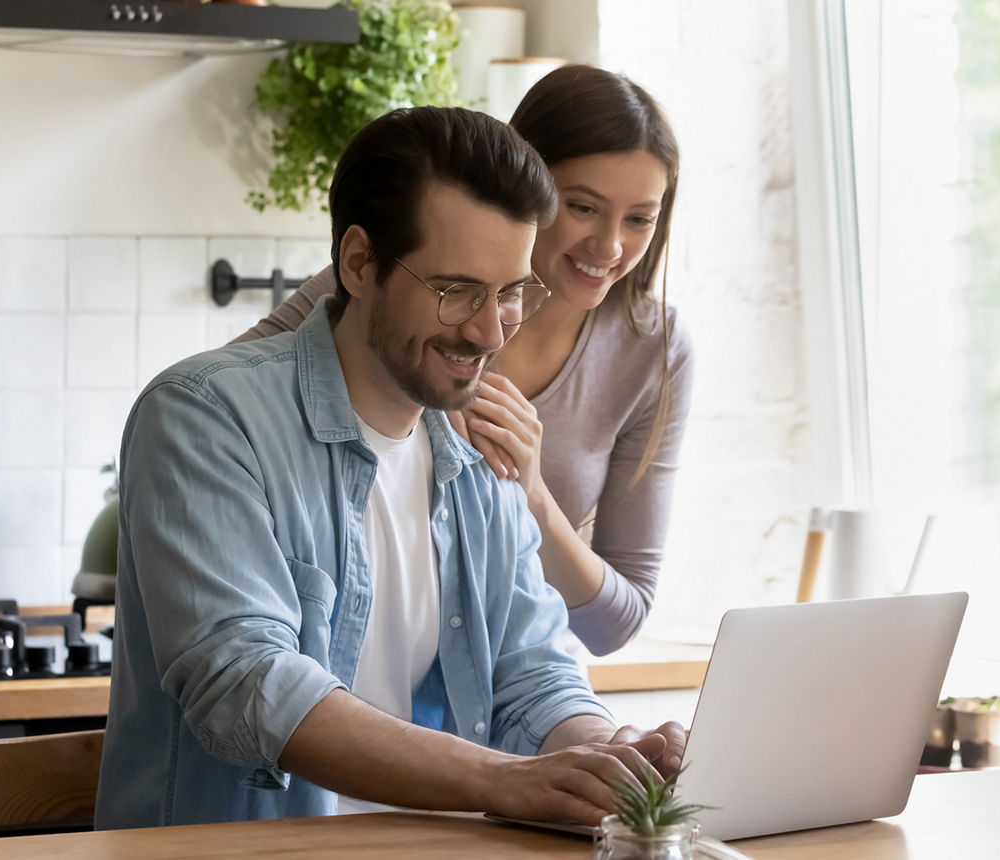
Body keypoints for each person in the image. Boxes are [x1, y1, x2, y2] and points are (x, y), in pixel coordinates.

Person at [95, 105, 686, 830]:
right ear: (358, 263)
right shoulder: (203, 416)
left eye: (510, 293)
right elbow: (248, 684)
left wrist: (604, 757)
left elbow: (534, 673)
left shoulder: (481, 453)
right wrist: (504, 781)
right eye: (456, 292)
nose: (490, 330)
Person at [236, 65, 693, 657]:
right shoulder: (388, 288)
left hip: (501, 699)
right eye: (582, 207)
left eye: (639, 219)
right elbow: (214, 407)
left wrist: (532, 495)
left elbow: (614, 624)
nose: (609, 248)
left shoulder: (654, 348)